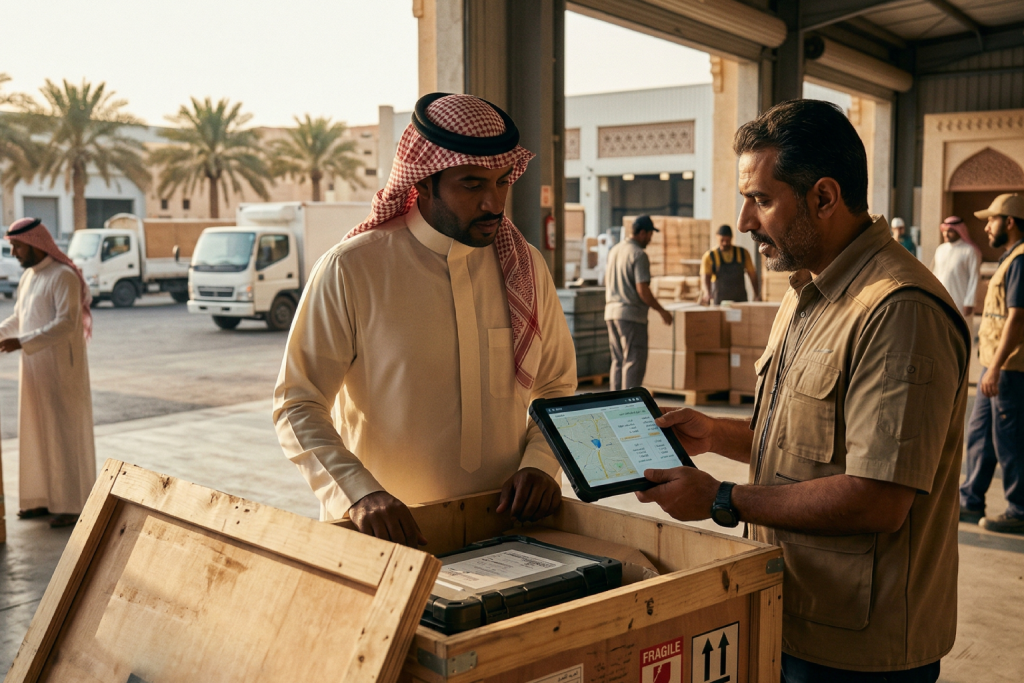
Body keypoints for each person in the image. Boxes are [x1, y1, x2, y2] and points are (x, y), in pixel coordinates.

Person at [634, 100, 970, 682]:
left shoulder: (898, 311)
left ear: (824, 197)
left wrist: (722, 498)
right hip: (791, 609)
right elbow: (807, 447)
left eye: (761, 200)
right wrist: (715, 435)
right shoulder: (807, 290)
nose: (744, 221)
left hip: (856, 646)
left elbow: (878, 498)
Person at [273, 93, 576, 546]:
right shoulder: (352, 268)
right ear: (424, 183)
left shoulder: (524, 266)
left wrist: (540, 464)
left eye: (502, 182)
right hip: (384, 538)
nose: (494, 203)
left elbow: (555, 385)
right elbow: (298, 403)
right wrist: (359, 493)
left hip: (506, 533)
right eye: (472, 185)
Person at [0, 218, 96, 529]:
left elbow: (67, 323)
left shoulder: (63, 275)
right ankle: (39, 499)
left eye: (17, 246)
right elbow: (19, 317)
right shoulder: (30, 277)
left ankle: (72, 504)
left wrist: (21, 342)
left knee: (63, 435)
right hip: (34, 368)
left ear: (35, 243)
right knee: (36, 432)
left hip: (61, 370)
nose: (13, 252)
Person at [960, 193, 1024, 534]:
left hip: (1010, 367)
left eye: (991, 220)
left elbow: (1018, 318)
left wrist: (996, 367)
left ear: (1009, 222)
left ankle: (1019, 509)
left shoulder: (1021, 262)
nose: (986, 227)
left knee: (1009, 438)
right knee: (980, 433)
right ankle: (971, 500)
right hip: (995, 363)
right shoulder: (1010, 258)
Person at [604, 215, 672, 391]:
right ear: (642, 233)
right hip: (631, 316)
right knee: (634, 361)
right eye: (650, 235)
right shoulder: (639, 254)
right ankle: (629, 403)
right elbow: (642, 290)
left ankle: (614, 402)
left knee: (618, 361)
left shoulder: (615, 251)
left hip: (611, 313)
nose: (650, 239)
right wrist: (661, 310)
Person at [930, 215, 981, 319]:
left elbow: (974, 278)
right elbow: (934, 274)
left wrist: (969, 302)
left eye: (950, 231)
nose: (946, 234)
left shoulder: (969, 250)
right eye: (944, 231)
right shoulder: (940, 249)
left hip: (960, 301)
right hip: (941, 300)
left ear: (959, 231)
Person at [699, 224, 761, 305]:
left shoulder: (743, 253)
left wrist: (757, 294)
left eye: (727, 241)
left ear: (731, 238)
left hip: (740, 300)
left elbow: (752, 275)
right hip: (719, 301)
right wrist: (707, 293)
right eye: (722, 240)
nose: (725, 243)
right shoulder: (709, 256)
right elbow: (705, 277)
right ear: (717, 237)